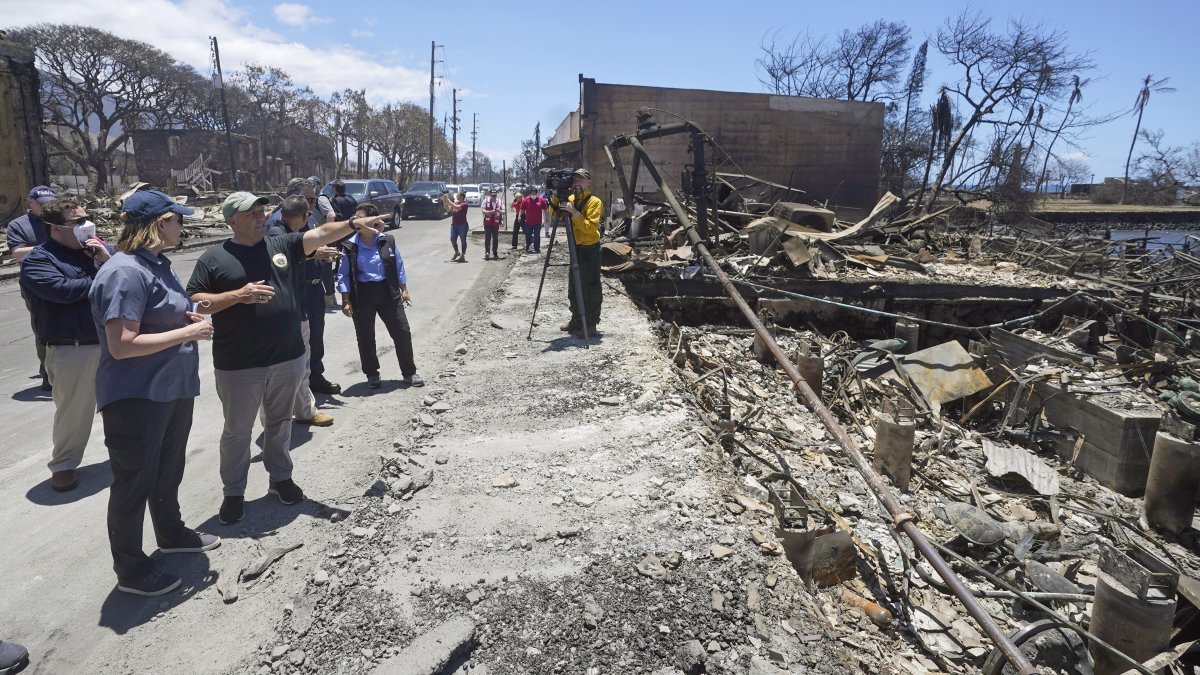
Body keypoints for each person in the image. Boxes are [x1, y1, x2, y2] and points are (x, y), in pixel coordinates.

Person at [186, 191, 390, 526]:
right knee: (237, 431)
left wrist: (354, 223)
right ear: (231, 221)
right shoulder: (214, 258)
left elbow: (321, 234)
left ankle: (280, 479)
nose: (260, 216)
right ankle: (233, 493)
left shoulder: (280, 245)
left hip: (287, 357)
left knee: (280, 424)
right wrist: (238, 296)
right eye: (250, 213)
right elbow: (194, 302)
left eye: (261, 210)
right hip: (239, 364)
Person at [89, 190, 220, 597]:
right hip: (137, 397)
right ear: (159, 224)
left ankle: (170, 531)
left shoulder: (157, 265)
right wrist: (190, 331)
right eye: (178, 220)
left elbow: (158, 315)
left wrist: (186, 315)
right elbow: (122, 344)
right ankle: (131, 570)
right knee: (133, 481)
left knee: (167, 469)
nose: (184, 226)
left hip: (170, 389)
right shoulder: (124, 272)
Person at [19, 197, 113, 492]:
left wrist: (106, 261)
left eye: (87, 217)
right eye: (76, 221)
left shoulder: (96, 251)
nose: (86, 225)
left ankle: (128, 452)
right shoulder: (39, 260)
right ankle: (64, 465)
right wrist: (105, 272)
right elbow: (63, 291)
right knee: (75, 412)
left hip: (111, 342)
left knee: (123, 403)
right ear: (54, 228)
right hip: (73, 348)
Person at [264, 195, 338, 427]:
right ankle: (289, 415)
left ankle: (303, 409)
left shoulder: (299, 228)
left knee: (303, 360)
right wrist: (314, 253)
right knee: (291, 364)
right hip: (291, 305)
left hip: (306, 298)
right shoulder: (277, 233)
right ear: (305, 214)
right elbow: (285, 257)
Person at [338, 203, 425, 390]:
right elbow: (343, 274)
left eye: (361, 218)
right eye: (355, 218)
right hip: (362, 294)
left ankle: (409, 372)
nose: (356, 221)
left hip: (388, 292)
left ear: (374, 221)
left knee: (402, 332)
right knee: (365, 336)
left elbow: (398, 266)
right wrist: (345, 301)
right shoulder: (349, 245)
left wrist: (404, 289)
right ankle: (372, 373)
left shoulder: (387, 240)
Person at [8, 185, 58, 390]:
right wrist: (51, 247)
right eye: (42, 205)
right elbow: (18, 253)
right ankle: (47, 372)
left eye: (50, 204)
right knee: (44, 326)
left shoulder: (57, 218)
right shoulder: (19, 224)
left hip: (65, 277)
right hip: (36, 284)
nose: (46, 208)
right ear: (30, 202)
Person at [550, 169, 604, 336]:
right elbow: (554, 215)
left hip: (590, 248)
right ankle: (576, 321)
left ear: (589, 182)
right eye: (575, 180)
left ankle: (590, 325)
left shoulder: (595, 202)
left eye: (581, 179)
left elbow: (589, 228)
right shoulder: (571, 199)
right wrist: (556, 196)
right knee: (574, 286)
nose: (577, 183)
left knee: (589, 287)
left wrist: (574, 212)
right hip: (575, 247)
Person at [521, 189, 548, 254]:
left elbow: (545, 209)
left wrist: (547, 217)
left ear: (536, 193)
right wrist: (520, 216)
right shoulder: (526, 200)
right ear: (530, 193)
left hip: (537, 222)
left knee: (537, 236)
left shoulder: (541, 200)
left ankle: (537, 248)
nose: (533, 195)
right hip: (528, 222)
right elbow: (522, 209)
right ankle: (528, 248)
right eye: (532, 193)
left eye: (534, 193)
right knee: (528, 236)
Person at [481, 189, 502, 260]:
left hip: (496, 223)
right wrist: (489, 212)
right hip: (487, 223)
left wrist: (500, 211)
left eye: (495, 195)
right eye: (492, 195)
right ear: (490, 195)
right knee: (487, 238)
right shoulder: (485, 201)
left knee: (495, 238)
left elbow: (504, 211)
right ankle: (487, 252)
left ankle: (495, 252)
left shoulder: (500, 201)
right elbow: (483, 211)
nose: (494, 197)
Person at [448, 192, 469, 262]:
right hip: (454, 224)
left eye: (458, 196)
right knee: (452, 239)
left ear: (462, 197)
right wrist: (445, 201)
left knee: (463, 240)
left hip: (462, 225)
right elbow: (449, 209)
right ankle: (457, 252)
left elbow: (457, 207)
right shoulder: (456, 203)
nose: (457, 197)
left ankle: (462, 255)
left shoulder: (465, 204)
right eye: (456, 196)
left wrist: (448, 200)